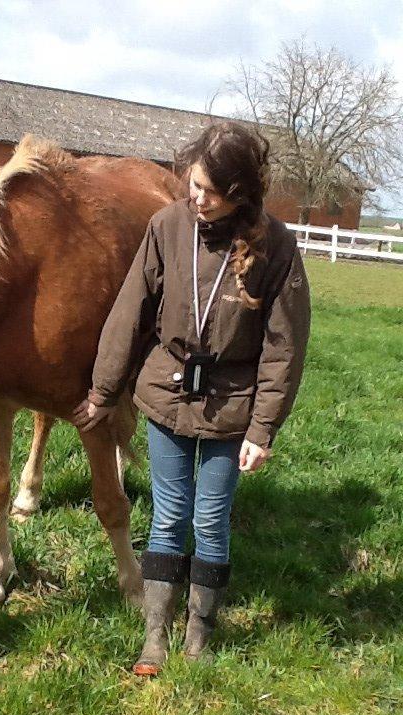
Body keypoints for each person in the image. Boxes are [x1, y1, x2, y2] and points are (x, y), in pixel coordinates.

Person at [73, 121, 311, 673]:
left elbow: (284, 348)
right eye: (193, 185)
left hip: (234, 404)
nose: (194, 196)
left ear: (238, 193)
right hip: (166, 392)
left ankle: (198, 636)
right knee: (169, 515)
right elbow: (129, 312)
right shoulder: (167, 226)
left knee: (210, 520)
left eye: (207, 189)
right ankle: (155, 635)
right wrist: (105, 391)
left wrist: (262, 430)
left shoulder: (276, 247)